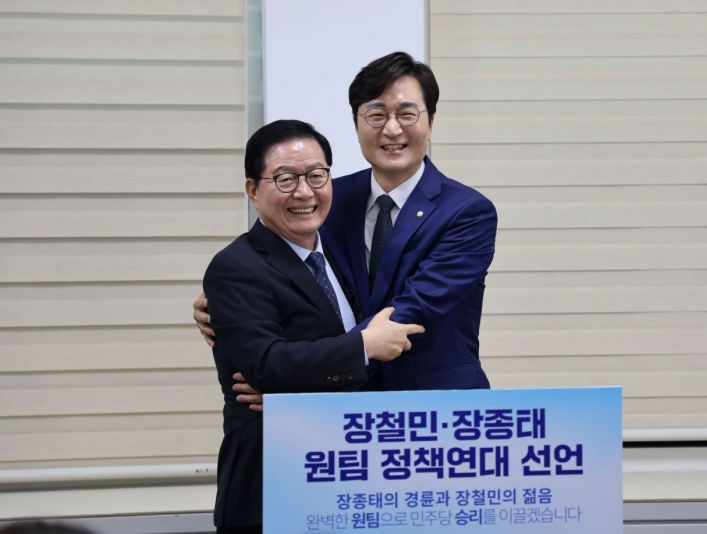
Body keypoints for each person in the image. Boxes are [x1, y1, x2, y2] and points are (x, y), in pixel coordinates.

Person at [195, 51, 497, 398]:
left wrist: (292, 380)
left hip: (432, 403)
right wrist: (231, 307)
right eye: (377, 115)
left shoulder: (467, 212)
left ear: (431, 121)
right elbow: (283, 274)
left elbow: (415, 307)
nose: (392, 128)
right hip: (340, 412)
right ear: (356, 123)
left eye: (407, 114)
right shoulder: (327, 198)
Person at [204, 119, 424, 533]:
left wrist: (298, 394)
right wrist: (364, 346)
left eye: (316, 176)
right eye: (285, 179)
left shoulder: (338, 253)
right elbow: (266, 365)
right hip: (271, 481)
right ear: (253, 190)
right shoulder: (235, 267)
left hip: (340, 475)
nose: (304, 192)